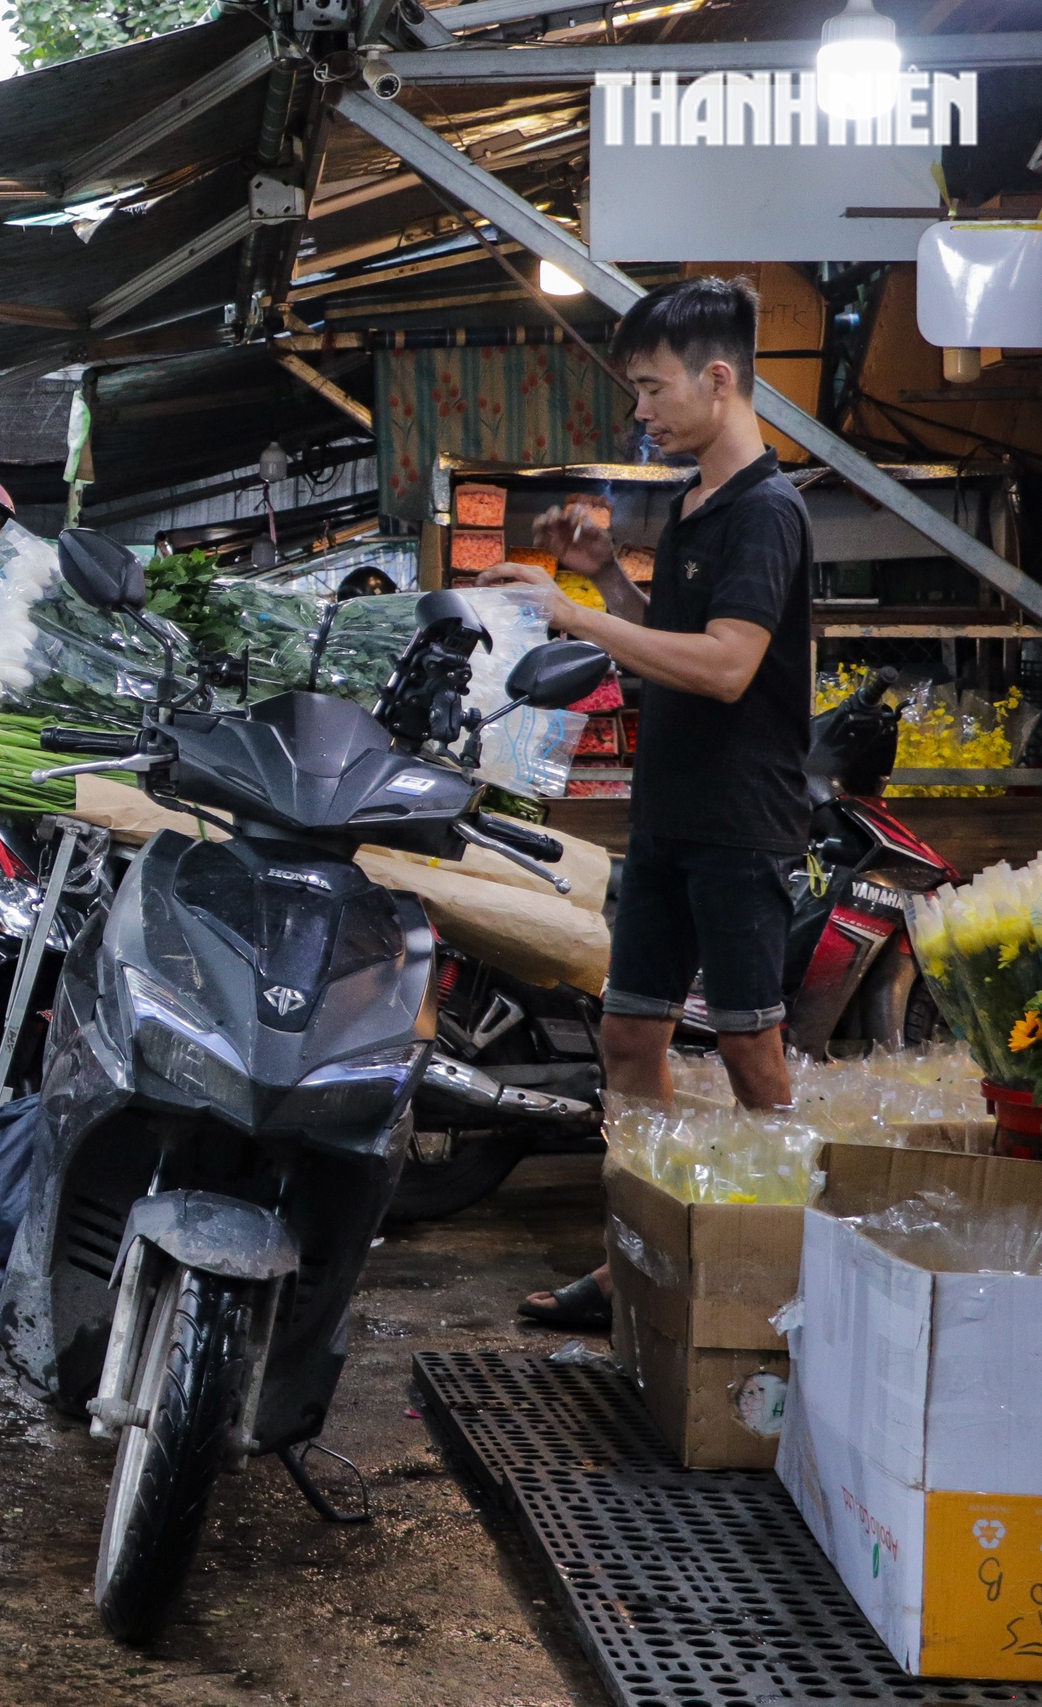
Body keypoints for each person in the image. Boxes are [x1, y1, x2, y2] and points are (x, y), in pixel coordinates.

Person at [478, 277, 813, 1329]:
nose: (641, 411)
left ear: (719, 380)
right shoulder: (692, 507)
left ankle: (799, 1276)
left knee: (755, 1053)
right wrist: (604, 584)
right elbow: (668, 639)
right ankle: (636, 1261)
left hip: (739, 821)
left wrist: (575, 619)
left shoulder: (767, 511)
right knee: (628, 1042)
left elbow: (721, 666)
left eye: (652, 388)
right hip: (669, 816)